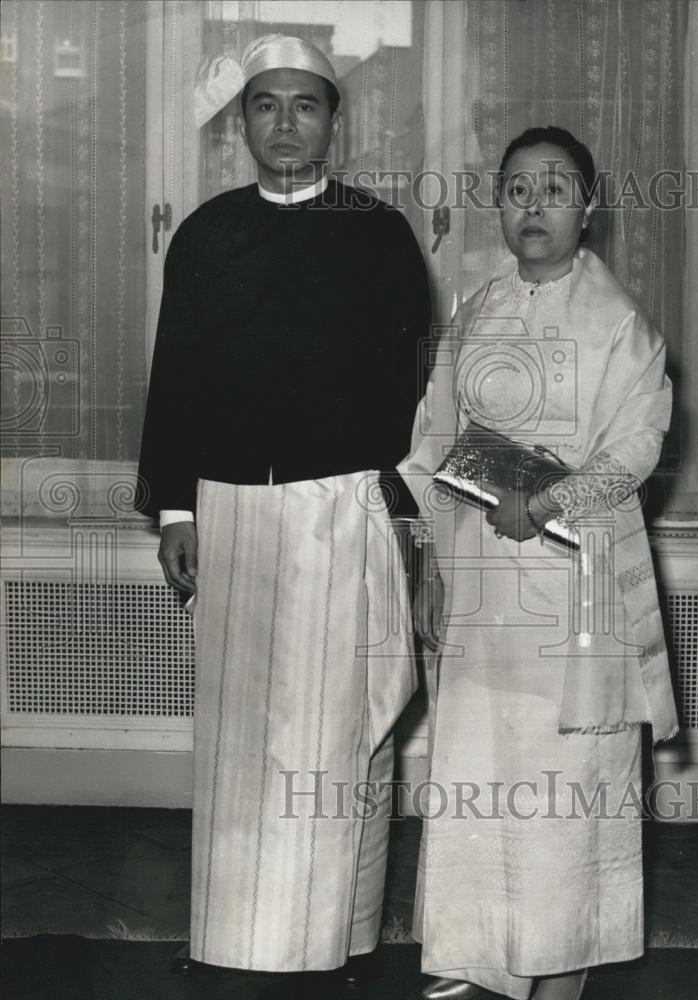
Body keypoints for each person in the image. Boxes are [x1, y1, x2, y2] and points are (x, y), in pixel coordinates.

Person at [134, 34, 430, 989]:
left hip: (335, 513)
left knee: (334, 741)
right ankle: (237, 941)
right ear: (243, 122)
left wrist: (395, 514)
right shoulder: (207, 234)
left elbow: (411, 393)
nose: (286, 123)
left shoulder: (377, 234)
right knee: (240, 744)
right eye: (267, 105)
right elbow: (174, 378)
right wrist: (177, 510)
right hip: (229, 517)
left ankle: (329, 946)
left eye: (305, 105)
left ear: (333, 120)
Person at [399, 126, 678, 1000]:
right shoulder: (476, 311)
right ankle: (478, 966)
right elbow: (434, 442)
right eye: (517, 190)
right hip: (481, 592)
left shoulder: (621, 326)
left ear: (586, 208)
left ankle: (560, 970)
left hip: (573, 586)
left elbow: (635, 447)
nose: (533, 207)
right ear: (499, 203)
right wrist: (430, 565)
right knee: (477, 775)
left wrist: (549, 503)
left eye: (553, 190)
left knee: (565, 789)